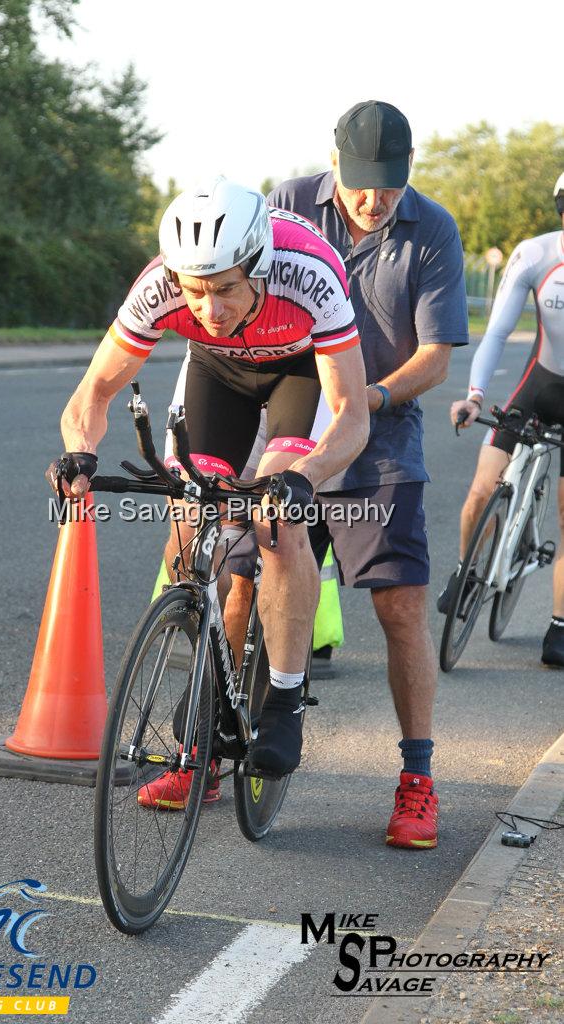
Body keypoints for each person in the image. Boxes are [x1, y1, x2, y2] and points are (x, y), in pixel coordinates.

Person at [163, 101, 469, 850]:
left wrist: (369, 394)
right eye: (362, 183)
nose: (375, 199)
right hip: (292, 432)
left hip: (380, 439)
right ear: (333, 165)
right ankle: (202, 752)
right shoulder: (284, 206)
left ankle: (416, 780)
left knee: (400, 606)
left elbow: (434, 357)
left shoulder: (431, 230)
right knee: (238, 583)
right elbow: (223, 306)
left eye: (390, 184)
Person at [48, 176, 369, 790]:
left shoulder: (308, 273)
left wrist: (304, 478)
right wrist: (79, 454)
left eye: (224, 289)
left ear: (258, 264)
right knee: (187, 531)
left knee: (277, 521)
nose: (210, 309)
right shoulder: (161, 285)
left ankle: (284, 696)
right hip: (216, 375)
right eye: (195, 293)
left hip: (299, 370)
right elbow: (94, 391)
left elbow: (353, 416)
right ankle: (211, 684)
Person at [442, 173, 564, 666]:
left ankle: (559, 623)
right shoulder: (537, 254)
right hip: (538, 388)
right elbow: (495, 333)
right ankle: (466, 573)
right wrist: (474, 395)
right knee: (480, 490)